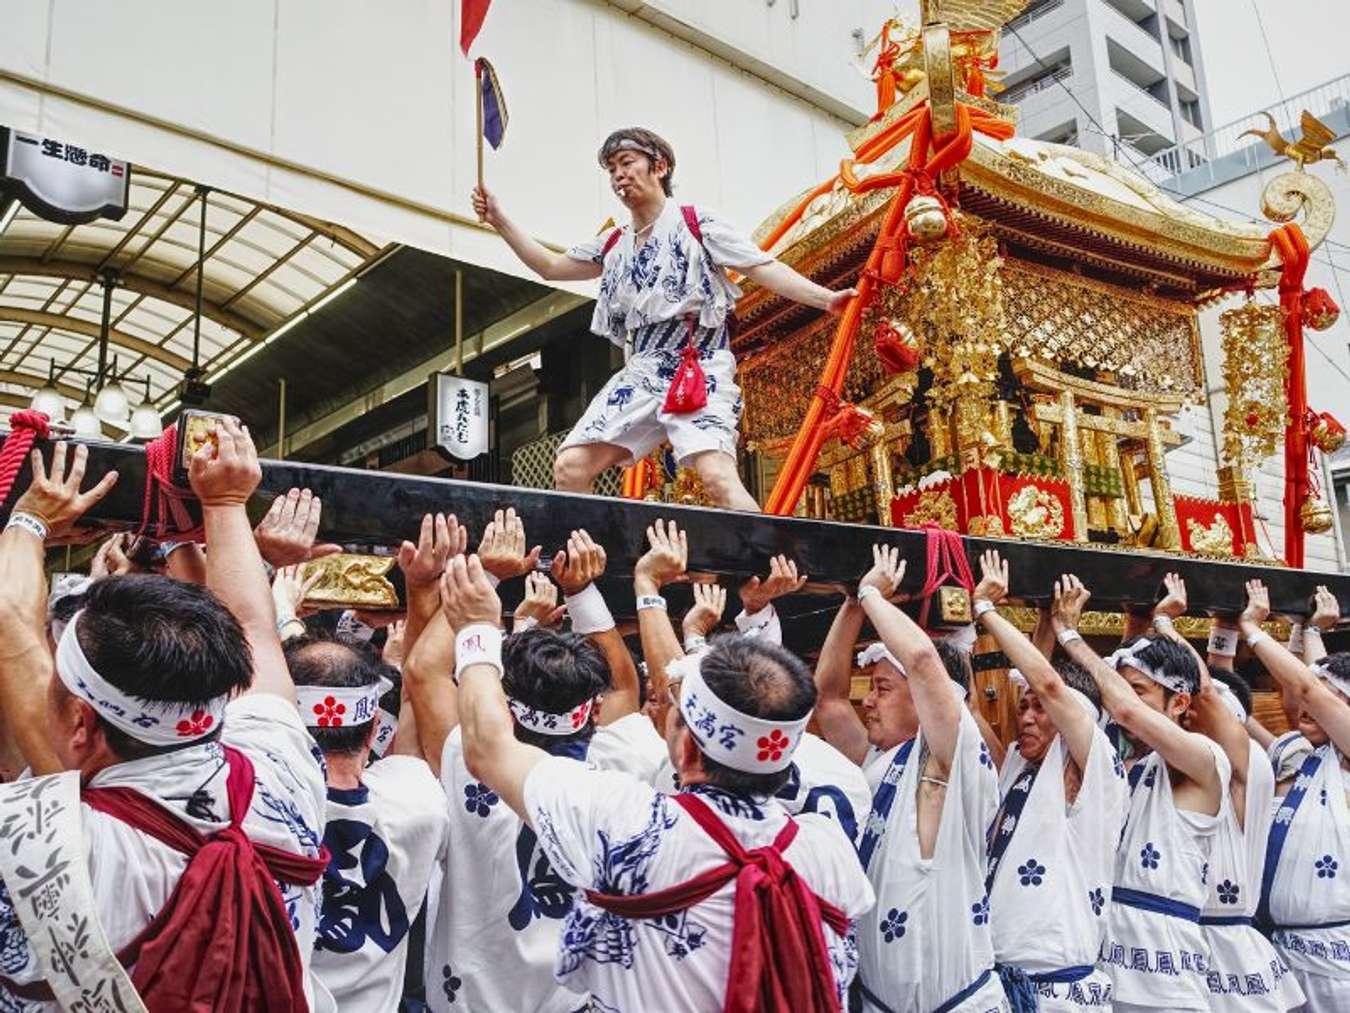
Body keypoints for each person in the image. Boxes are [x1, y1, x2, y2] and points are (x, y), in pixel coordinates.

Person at [438, 534, 873, 1011]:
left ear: (685, 746)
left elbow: (487, 746)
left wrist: (477, 628)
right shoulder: (828, 851)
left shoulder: (634, 823)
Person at [0, 425, 328, 1010]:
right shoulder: (278, 768)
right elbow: (254, 627)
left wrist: (29, 519)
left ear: (81, 722)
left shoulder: (43, 837)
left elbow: (9, 626)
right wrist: (225, 504)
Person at [471, 127, 857, 511]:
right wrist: (500, 220)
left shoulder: (696, 223)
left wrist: (826, 299)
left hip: (696, 364)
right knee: (571, 466)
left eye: (626, 163)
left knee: (718, 478)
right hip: (641, 370)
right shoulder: (612, 243)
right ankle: (587, 570)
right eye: (611, 169)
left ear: (660, 166)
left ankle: (771, 567)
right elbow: (551, 267)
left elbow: (761, 266)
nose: (618, 175)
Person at [404, 519, 659, 1012]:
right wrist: (582, 592)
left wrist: (488, 579)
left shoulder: (468, 762)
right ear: (592, 708)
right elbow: (627, 688)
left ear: (501, 699)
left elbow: (422, 670)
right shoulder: (624, 762)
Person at [813, 546, 1008, 1013]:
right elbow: (828, 699)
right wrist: (852, 606)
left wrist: (872, 594)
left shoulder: (949, 757)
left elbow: (921, 660)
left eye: (882, 688)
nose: (869, 702)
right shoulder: (876, 759)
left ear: (924, 701)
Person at [1047, 573, 1228, 1013]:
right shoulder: (1121, 756)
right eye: (1125, 686)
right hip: (1104, 957)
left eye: (1141, 689)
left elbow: (1124, 706)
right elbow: (1118, 704)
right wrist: (1138, 618)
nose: (1123, 701)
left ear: (1180, 703)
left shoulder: (1205, 760)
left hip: (1166, 980)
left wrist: (1069, 634)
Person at [273, 563, 449, 1013]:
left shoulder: (254, 803)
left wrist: (279, 616)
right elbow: (415, 696)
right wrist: (423, 585)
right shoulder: (417, 803)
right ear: (374, 727)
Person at [970, 552, 1127, 1011]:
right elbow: (1033, 684)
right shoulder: (1022, 762)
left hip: (1058, 988)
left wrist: (986, 611)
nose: (1028, 718)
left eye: (1040, 710)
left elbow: (1051, 686)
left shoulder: (1093, 763)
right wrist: (1042, 616)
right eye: (1024, 708)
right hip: (1001, 978)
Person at [1139, 575, 1303, 1011]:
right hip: (1181, 934)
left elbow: (1209, 688)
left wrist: (1163, 622)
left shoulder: (1244, 762)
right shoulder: (1186, 760)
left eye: (1199, 710)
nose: (1192, 716)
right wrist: (1224, 625)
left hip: (1223, 937)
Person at [1238, 580, 1350, 1010]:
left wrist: (1253, 628)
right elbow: (1303, 692)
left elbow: (1312, 690)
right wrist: (1309, 631)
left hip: (1335, 959)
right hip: (1282, 949)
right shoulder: (1307, 755)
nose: (1307, 709)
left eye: (1328, 703)